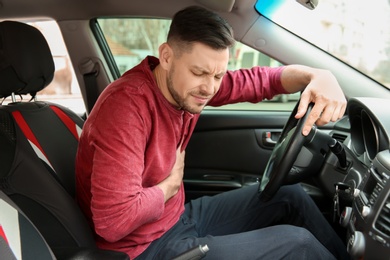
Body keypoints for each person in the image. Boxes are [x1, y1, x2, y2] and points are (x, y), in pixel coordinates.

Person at [75, 5, 350, 260]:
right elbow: (112, 222)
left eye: (217, 76)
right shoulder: (126, 108)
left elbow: (259, 81)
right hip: (145, 249)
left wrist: (317, 76)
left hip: (178, 219)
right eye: (199, 72)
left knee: (290, 195)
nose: (209, 88)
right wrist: (168, 187)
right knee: (298, 244)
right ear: (167, 57)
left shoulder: (187, 89)